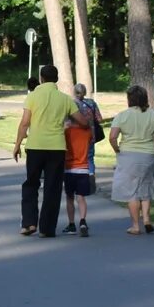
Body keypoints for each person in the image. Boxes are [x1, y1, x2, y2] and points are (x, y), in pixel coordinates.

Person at [13, 65, 89, 237]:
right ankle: (46, 228)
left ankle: (29, 223)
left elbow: (25, 123)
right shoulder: (65, 99)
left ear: (41, 78)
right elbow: (83, 121)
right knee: (52, 187)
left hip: (35, 145)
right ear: (57, 79)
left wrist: (17, 144)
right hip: (56, 147)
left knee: (31, 184)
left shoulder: (32, 97)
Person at [110, 85, 154, 236]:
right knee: (145, 187)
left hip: (128, 155)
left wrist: (117, 150)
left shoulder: (122, 116)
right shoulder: (153, 115)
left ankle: (136, 225)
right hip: (148, 154)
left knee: (132, 191)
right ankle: (147, 219)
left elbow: (113, 137)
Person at [62, 99, 94, 237]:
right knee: (81, 197)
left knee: (69, 197)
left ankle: (71, 224)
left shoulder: (66, 132)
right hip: (83, 168)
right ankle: (83, 220)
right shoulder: (87, 132)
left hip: (69, 168)